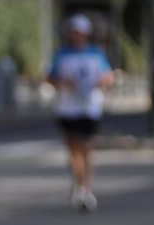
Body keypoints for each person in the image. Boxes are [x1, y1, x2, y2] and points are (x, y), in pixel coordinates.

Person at [49, 14, 114, 212]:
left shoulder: (96, 54)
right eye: (74, 32)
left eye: (80, 33)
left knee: (86, 149)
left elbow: (107, 77)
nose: (77, 36)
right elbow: (50, 77)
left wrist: (100, 81)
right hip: (68, 108)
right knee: (73, 150)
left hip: (89, 107)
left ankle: (85, 187)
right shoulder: (61, 54)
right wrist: (63, 83)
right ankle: (79, 186)